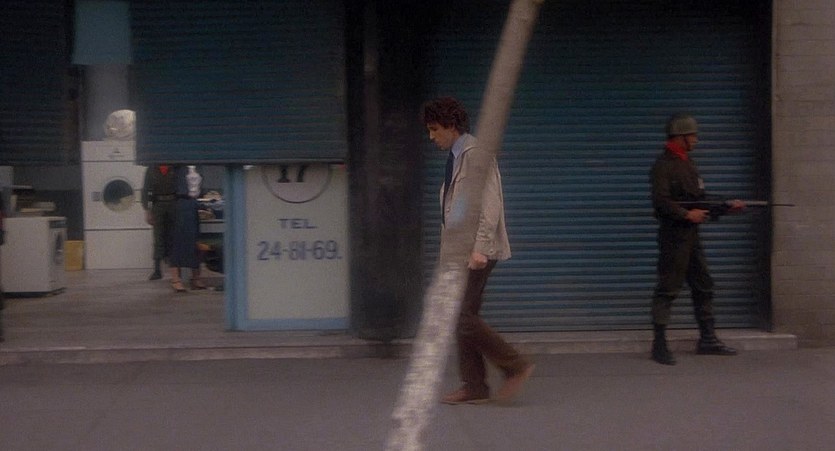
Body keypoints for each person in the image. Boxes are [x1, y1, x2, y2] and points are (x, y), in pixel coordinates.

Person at [422, 96, 534, 404]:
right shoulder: (458, 157)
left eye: (434, 129)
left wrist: (480, 247)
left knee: (462, 316)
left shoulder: (476, 155)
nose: (431, 137)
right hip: (460, 251)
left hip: (475, 251)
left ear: (452, 126)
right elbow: (458, 207)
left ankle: (515, 366)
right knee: (463, 316)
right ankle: (474, 386)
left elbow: (490, 204)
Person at [649, 113, 743, 365]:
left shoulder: (688, 163)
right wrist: (686, 214)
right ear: (680, 137)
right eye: (693, 135)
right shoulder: (663, 166)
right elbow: (661, 201)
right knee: (668, 288)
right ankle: (659, 345)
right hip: (674, 237)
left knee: (703, 285)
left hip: (691, 237)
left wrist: (724, 207)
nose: (696, 140)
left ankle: (708, 339)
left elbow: (699, 200)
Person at [168, 165, 206, 292]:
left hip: (194, 203)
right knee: (178, 241)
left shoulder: (199, 167)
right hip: (181, 204)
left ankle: (196, 277)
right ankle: (175, 279)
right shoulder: (177, 168)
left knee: (195, 241)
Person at [141, 164, 177, 280]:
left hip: (173, 204)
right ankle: (157, 270)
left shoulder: (175, 167)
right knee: (158, 237)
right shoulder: (152, 169)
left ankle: (175, 269)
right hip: (158, 205)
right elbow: (147, 191)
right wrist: (148, 209)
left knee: (173, 237)